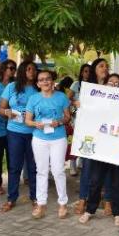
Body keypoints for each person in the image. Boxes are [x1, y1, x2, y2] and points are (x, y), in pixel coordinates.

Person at [79, 73, 119, 227]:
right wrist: (80, 105)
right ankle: (90, 210)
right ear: (104, 84)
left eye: (116, 83)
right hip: (100, 148)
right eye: (110, 82)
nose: (112, 85)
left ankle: (118, 213)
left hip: (118, 148)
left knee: (117, 183)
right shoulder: (97, 102)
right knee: (95, 180)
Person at [25, 70, 71, 219]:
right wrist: (35, 124)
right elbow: (28, 120)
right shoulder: (33, 99)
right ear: (38, 83)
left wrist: (59, 122)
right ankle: (41, 204)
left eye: (48, 79)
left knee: (58, 171)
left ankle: (63, 203)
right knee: (41, 171)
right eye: (42, 80)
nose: (45, 82)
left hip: (58, 138)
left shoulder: (62, 97)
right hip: (39, 138)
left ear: (52, 81)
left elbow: (67, 117)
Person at [0, 61, 39, 212]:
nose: (32, 72)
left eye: (34, 69)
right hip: (14, 132)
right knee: (14, 166)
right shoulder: (11, 87)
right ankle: (11, 198)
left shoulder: (38, 89)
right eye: (29, 69)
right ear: (22, 71)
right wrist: (7, 112)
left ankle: (35, 197)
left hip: (34, 133)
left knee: (33, 167)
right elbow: (1, 109)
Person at [75, 59, 109, 215]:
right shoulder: (88, 88)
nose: (105, 68)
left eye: (106, 66)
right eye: (101, 66)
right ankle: (83, 199)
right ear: (94, 69)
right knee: (87, 168)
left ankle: (108, 200)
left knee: (107, 169)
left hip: (108, 135)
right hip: (90, 134)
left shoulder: (114, 88)